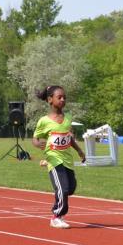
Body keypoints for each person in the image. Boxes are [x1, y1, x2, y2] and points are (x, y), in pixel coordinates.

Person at [32, 85, 86, 229]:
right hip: (54, 159)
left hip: (67, 159)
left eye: (64, 98)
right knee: (63, 188)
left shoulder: (68, 118)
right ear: (50, 99)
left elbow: (69, 138)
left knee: (71, 188)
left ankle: (59, 199)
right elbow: (35, 139)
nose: (63, 100)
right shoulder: (44, 121)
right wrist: (38, 144)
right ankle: (57, 216)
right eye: (59, 97)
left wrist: (79, 151)